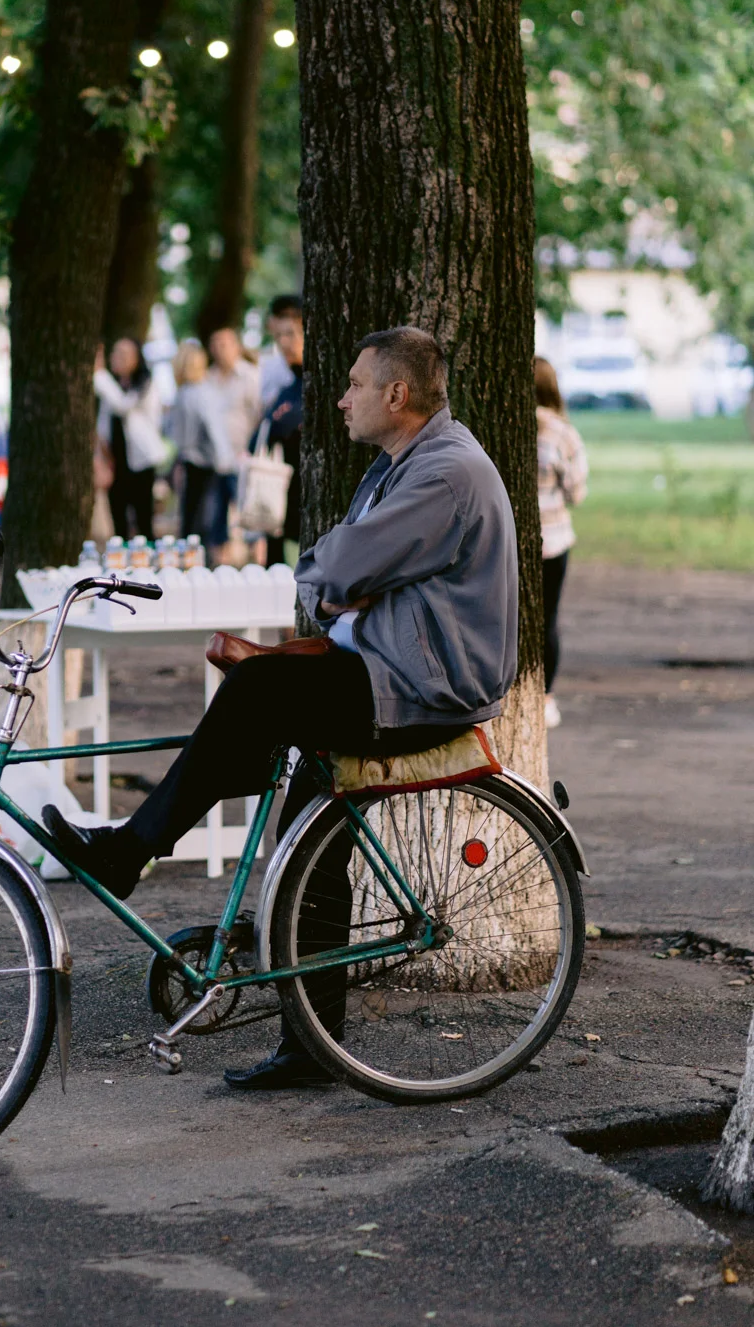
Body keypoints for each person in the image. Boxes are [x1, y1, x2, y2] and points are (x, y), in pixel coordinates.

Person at [45, 326, 518, 1091]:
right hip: (387, 669)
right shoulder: (405, 464)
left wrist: (343, 577)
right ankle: (312, 1047)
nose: (341, 398)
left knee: (256, 692)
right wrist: (343, 576)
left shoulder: (445, 473)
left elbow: (335, 565)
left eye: (357, 384)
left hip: (422, 687)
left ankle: (128, 852)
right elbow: (340, 565)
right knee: (305, 845)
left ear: (397, 395)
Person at [535, 355, 588, 731]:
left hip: (509, 544)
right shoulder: (561, 432)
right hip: (552, 541)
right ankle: (546, 697)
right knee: (547, 619)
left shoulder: (505, 425)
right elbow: (577, 491)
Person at [95, 337, 166, 541]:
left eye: (124, 354)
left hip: (141, 463)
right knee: (119, 523)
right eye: (115, 353)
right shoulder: (113, 385)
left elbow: (122, 405)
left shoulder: (145, 385)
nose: (117, 358)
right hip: (116, 462)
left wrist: (99, 374)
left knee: (144, 520)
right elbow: (103, 425)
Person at [170, 343, 234, 543]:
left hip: (202, 464)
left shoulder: (188, 394)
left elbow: (207, 430)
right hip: (209, 463)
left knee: (196, 522)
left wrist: (224, 461)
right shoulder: (205, 390)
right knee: (204, 521)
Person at [207, 327, 263, 555]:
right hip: (215, 458)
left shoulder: (250, 376)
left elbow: (259, 414)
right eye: (216, 345)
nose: (220, 350)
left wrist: (252, 449)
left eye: (225, 344)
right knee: (215, 518)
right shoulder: (208, 377)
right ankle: (219, 563)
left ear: (236, 346)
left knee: (251, 516)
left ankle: (257, 561)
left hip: (243, 456)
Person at [259, 303, 304, 567]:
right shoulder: (288, 385)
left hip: (299, 495)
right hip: (278, 491)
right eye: (279, 337)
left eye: (292, 334)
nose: (284, 343)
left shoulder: (309, 386)